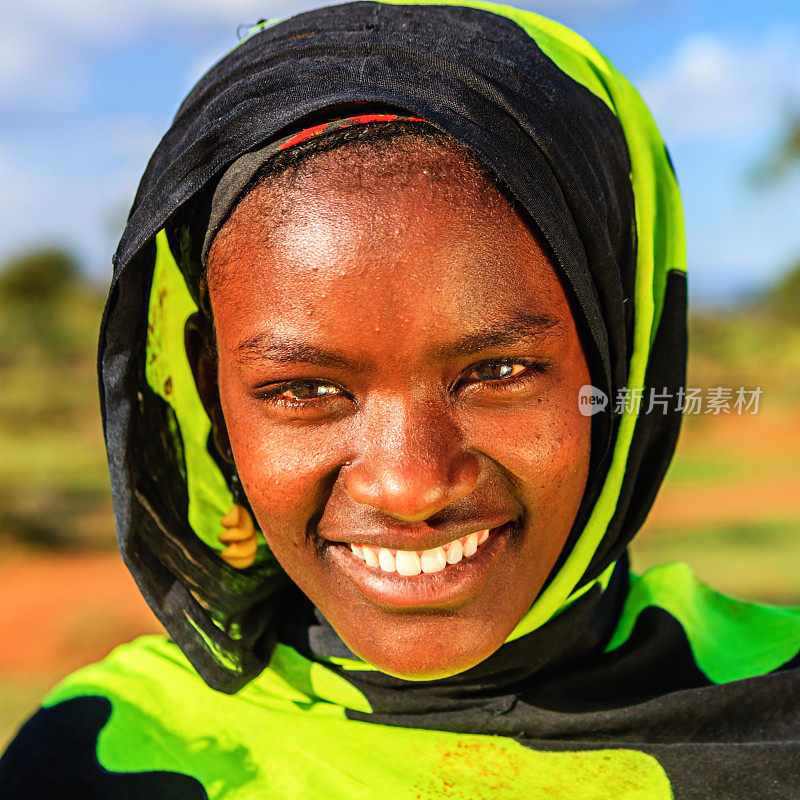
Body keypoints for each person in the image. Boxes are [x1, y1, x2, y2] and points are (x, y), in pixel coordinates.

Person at [2, 1, 799, 797]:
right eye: (304, 389)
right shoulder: (87, 765)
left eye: (498, 372)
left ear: (618, 362)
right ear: (210, 390)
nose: (411, 486)